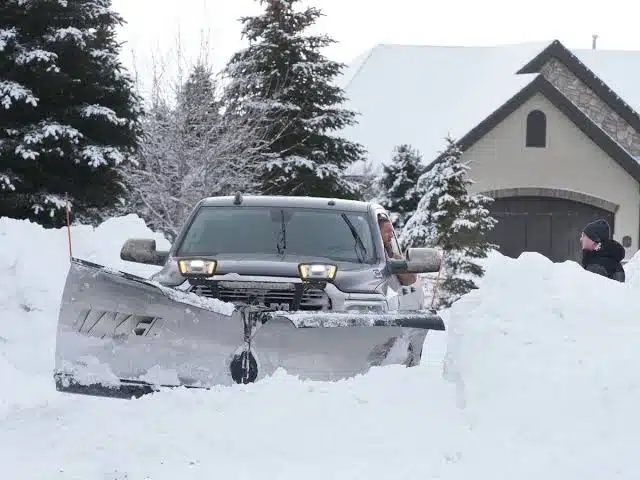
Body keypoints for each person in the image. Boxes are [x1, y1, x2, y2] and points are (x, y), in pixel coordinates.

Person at [377, 215, 417, 286]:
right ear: (376, 233)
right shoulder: (364, 256)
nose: (391, 236)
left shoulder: (391, 255)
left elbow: (411, 278)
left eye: (391, 232)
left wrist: (394, 265)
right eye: (387, 232)